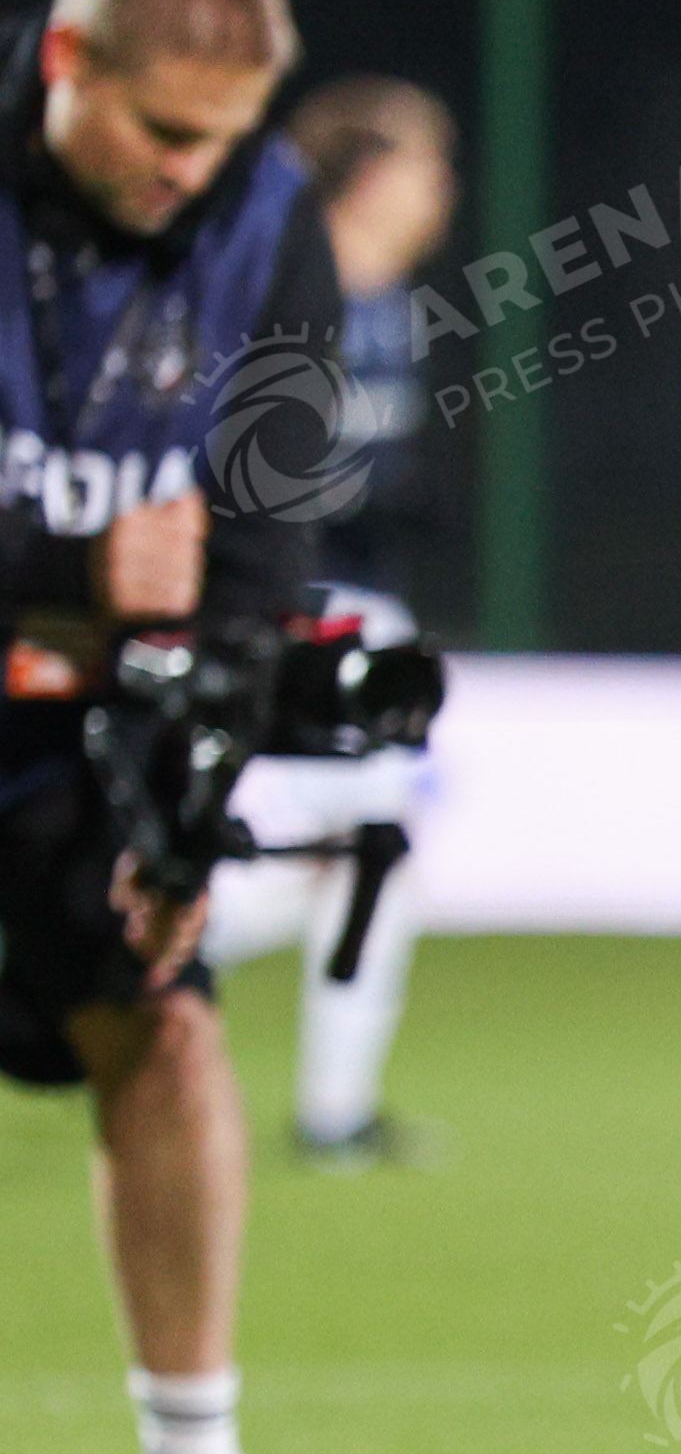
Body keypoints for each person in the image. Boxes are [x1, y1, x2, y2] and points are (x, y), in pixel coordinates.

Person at [3, 0, 353, 1454]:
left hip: (73, 720)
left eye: (221, 137)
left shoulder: (268, 216)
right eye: (162, 129)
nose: (189, 172)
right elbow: (123, 552)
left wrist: (190, 793)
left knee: (168, 1024)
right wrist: (68, 560)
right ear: (68, 63)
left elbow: (261, 548)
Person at [200, 75, 457, 1167]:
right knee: (353, 858)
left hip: (358, 611)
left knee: (355, 861)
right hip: (284, 616)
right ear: (368, 175)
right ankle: (91, 961)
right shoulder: (274, 291)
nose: (443, 190)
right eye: (427, 163)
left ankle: (336, 1108)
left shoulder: (394, 304)